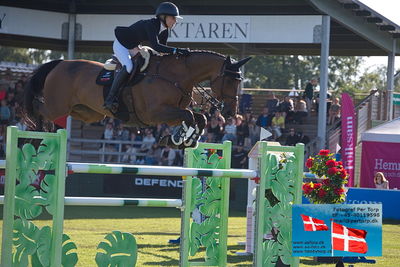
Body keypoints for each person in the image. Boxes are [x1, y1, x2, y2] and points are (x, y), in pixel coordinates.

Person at [103, 2, 191, 112]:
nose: (175, 21)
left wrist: (177, 56)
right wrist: (177, 50)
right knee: (129, 66)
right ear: (163, 17)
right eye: (173, 18)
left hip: (133, 46)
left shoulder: (164, 31)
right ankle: (109, 99)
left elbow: (162, 53)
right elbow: (157, 47)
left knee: (146, 64)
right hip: (121, 44)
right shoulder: (152, 25)